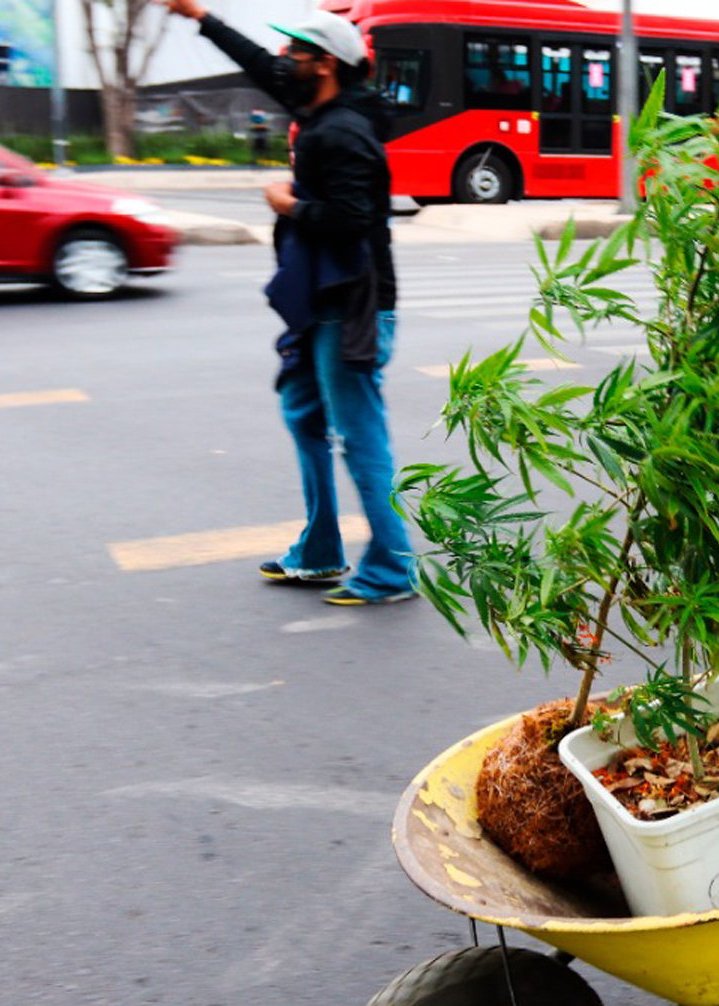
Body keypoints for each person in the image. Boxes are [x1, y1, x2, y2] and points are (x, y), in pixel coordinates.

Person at [161, 1, 414, 605]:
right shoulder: (321, 107)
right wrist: (198, 15)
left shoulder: (344, 132)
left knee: (359, 434)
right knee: (303, 413)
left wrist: (288, 205)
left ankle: (392, 567)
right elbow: (259, 66)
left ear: (323, 64)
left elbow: (356, 219)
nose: (282, 64)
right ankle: (321, 549)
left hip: (352, 302)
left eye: (293, 55)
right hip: (319, 297)